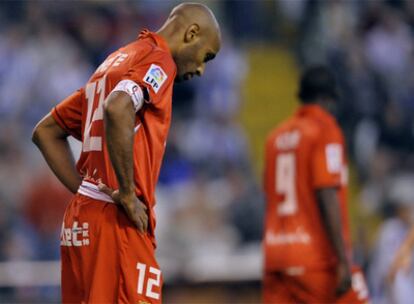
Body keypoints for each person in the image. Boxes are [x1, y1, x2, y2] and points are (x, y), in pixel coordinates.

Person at [32, 3, 221, 303]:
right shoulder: (159, 61)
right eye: (206, 56)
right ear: (191, 33)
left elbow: (46, 131)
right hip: (115, 224)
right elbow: (118, 106)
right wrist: (127, 193)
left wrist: (85, 191)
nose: (200, 69)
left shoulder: (113, 62)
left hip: (82, 220)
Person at [262, 66, 369, 303]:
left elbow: (269, 195)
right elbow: (326, 191)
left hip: (276, 257)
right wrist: (343, 260)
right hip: (316, 260)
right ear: (328, 99)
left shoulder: (274, 138)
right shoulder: (324, 129)